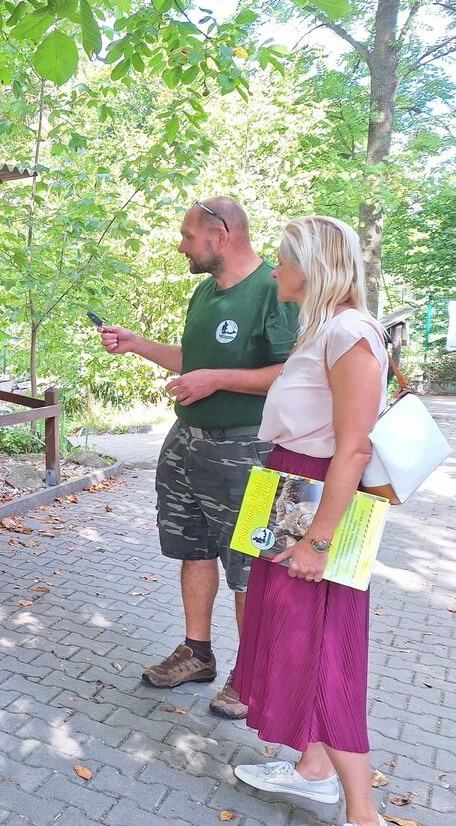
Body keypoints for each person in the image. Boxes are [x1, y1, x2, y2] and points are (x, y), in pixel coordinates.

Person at [98, 197, 298, 718]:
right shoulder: (205, 292)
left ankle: (251, 674)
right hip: (186, 442)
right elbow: (194, 361)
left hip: (249, 450)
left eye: (188, 236)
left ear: (221, 234)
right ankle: (197, 653)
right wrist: (137, 344)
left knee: (250, 565)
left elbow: (294, 373)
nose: (181, 245)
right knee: (194, 549)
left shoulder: (275, 290)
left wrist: (217, 381)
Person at [231, 216, 389, 826]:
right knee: (299, 638)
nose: (274, 271)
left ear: (312, 267)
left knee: (324, 651)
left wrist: (317, 543)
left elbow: (353, 449)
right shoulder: (323, 328)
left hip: (316, 495)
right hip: (288, 484)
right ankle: (314, 771)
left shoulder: (349, 331)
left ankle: (364, 813)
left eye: (282, 260)